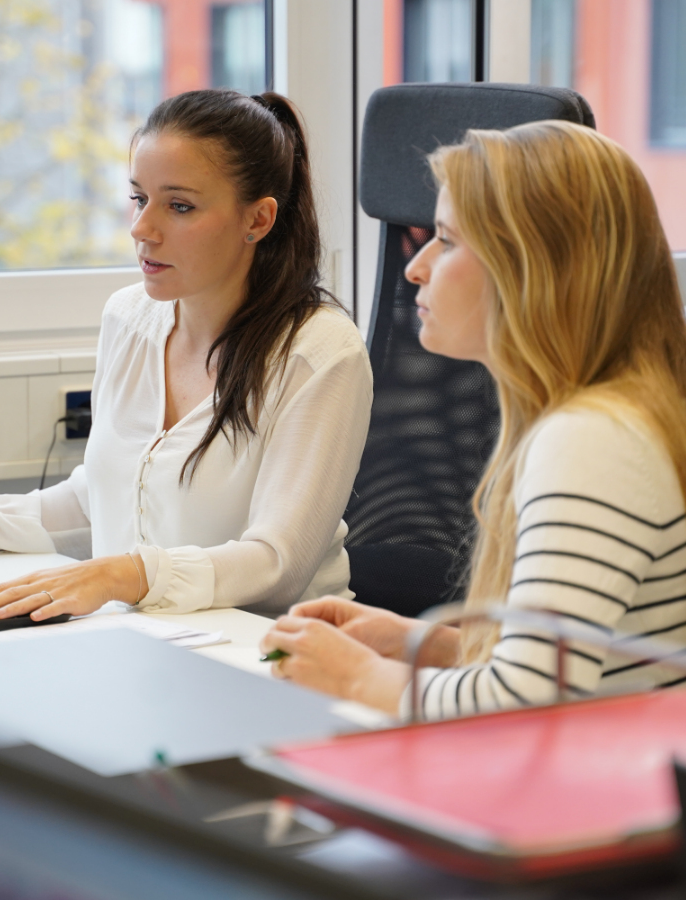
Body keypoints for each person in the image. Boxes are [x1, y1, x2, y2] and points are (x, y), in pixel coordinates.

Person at [0, 89, 372, 621]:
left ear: (259, 219)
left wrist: (121, 576)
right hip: (145, 639)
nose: (141, 228)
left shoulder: (319, 353)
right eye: (138, 197)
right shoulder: (129, 319)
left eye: (179, 206)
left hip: (273, 658)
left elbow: (278, 563)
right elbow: (99, 500)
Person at [261, 120, 686, 719]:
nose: (416, 267)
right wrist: (422, 644)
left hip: (601, 799)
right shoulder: (606, 416)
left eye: (448, 240)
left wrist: (357, 678)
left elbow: (524, 702)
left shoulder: (593, 439)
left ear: (538, 267)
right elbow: (574, 667)